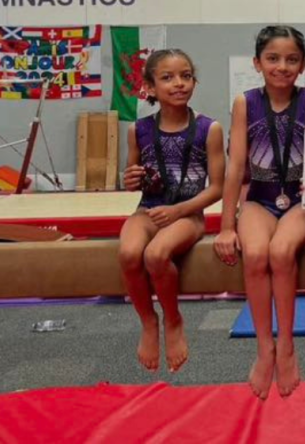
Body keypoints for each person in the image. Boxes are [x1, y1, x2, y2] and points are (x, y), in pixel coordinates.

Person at [214, 25, 305, 399]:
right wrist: (225, 226)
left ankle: (287, 346)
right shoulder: (245, 103)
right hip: (260, 198)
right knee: (255, 253)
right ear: (257, 63)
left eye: (291, 59)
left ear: (303, 65)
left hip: (301, 200)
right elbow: (235, 168)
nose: (282, 66)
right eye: (273, 59)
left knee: (281, 253)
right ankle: (264, 347)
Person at [118, 49, 225, 373]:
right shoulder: (138, 130)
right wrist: (130, 178)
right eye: (167, 78)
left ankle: (173, 319)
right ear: (149, 87)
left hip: (187, 214)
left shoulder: (210, 128)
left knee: (156, 254)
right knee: (128, 252)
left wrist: (179, 211)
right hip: (148, 210)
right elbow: (133, 178)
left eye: (186, 76)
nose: (179, 83)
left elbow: (217, 188)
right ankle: (148, 322)